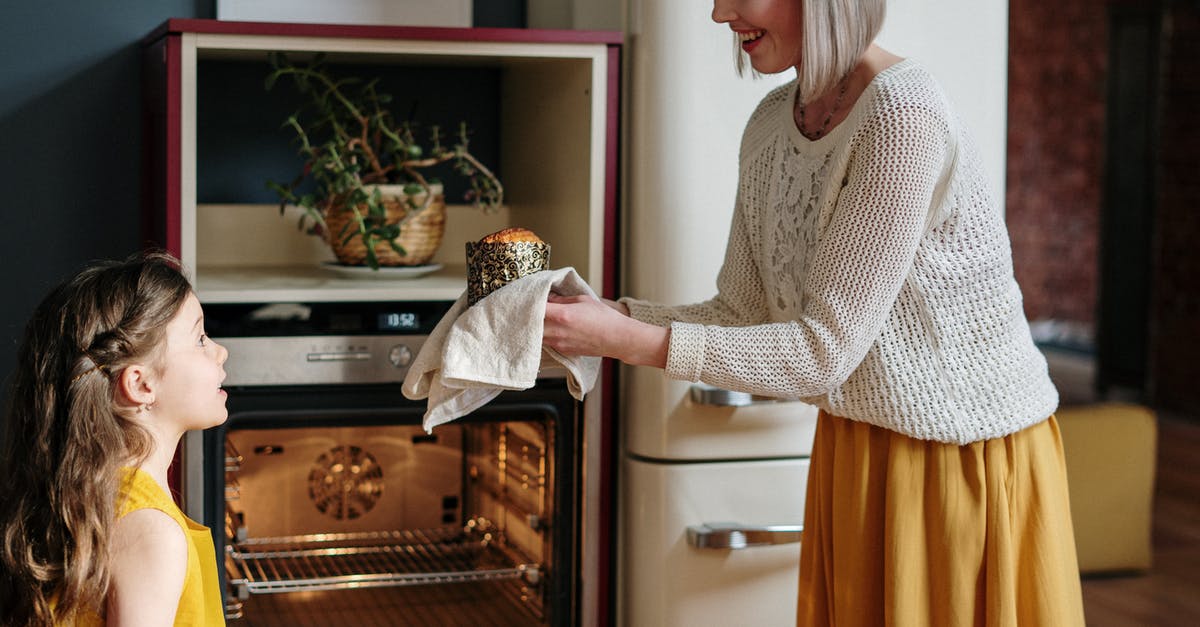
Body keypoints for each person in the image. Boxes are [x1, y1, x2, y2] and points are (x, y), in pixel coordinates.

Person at [542, 0, 1086, 624]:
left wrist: (624, 340)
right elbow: (740, 312)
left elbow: (821, 352)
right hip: (858, 445)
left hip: (955, 458)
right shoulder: (773, 121)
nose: (720, 14)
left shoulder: (903, 118)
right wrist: (607, 316)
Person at [0, 251, 229, 626]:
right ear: (141, 384)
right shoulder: (151, 532)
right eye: (201, 338)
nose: (221, 351)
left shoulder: (98, 493)